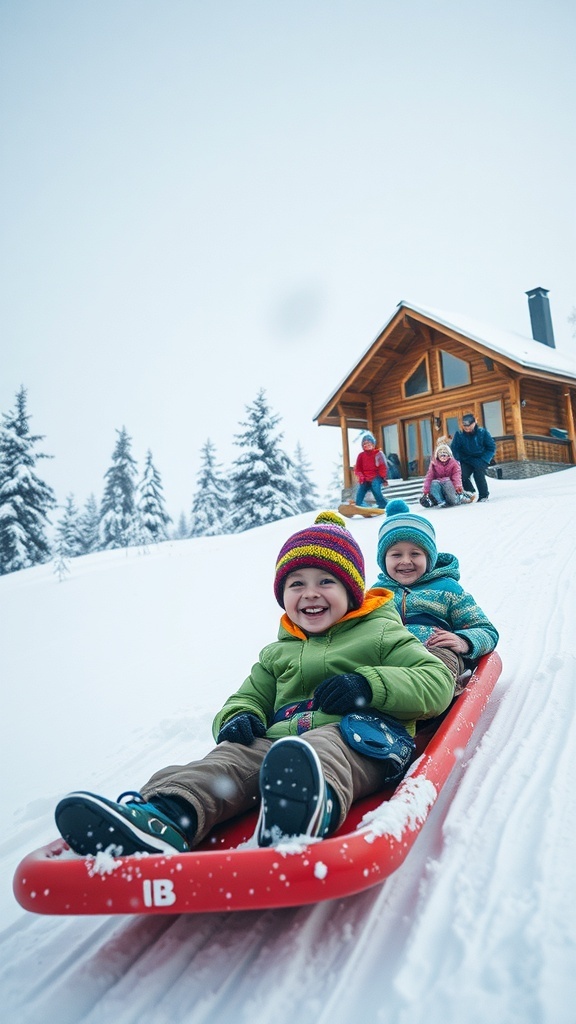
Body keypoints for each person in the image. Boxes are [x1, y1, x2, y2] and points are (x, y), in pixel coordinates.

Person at [55, 512, 455, 858]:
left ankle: (307, 809)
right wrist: (239, 716)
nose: (310, 593)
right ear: (282, 594)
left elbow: (435, 682)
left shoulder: (381, 632)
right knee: (229, 761)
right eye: (296, 583)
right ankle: (163, 815)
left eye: (326, 582)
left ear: (351, 592)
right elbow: (247, 696)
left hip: (362, 737)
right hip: (281, 745)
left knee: (325, 748)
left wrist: (368, 685)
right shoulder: (276, 653)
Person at [373, 500, 498, 691]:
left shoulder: (447, 589)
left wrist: (464, 641)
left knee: (434, 671)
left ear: (429, 558)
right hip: (387, 657)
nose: (406, 561)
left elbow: (485, 630)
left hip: (434, 653)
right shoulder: (376, 593)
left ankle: (426, 700)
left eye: (415, 554)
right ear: (384, 560)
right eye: (396, 555)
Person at [450, 413, 496, 503]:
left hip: (481, 458)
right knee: (462, 475)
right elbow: (454, 448)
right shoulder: (459, 434)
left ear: (474, 423)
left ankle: (483, 495)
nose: (467, 428)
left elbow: (491, 447)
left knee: (478, 474)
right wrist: (459, 458)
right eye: (465, 426)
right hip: (466, 459)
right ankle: (470, 493)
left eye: (469, 426)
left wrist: (485, 459)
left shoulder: (483, 433)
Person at [420, 439, 473, 508]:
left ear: (449, 455)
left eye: (445, 455)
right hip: (439, 485)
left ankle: (459, 498)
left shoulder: (454, 464)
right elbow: (429, 477)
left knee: (451, 496)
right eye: (441, 456)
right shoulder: (434, 464)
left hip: (449, 485)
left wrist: (458, 487)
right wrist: (426, 489)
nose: (443, 457)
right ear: (438, 456)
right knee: (434, 483)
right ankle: (440, 501)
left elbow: (456, 476)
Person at [354, 431, 388, 508]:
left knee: (375, 487)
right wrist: (361, 476)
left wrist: (383, 478)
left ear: (373, 444)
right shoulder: (361, 455)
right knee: (361, 490)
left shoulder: (378, 453)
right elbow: (358, 468)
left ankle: (383, 504)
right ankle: (360, 505)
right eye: (365, 444)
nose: (367, 445)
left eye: (369, 443)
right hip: (365, 478)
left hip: (376, 476)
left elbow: (383, 467)